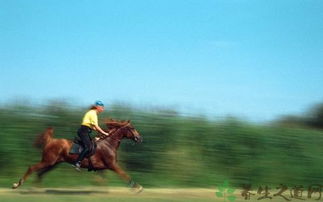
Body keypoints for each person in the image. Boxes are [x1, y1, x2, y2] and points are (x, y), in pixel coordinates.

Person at [73, 101, 110, 171]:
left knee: (93, 145)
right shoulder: (93, 113)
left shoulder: (92, 112)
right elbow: (96, 126)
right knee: (88, 147)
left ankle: (90, 163)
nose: (103, 109)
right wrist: (105, 133)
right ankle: (77, 162)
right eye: (102, 108)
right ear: (97, 107)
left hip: (85, 131)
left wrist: (101, 133)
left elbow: (93, 127)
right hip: (83, 131)